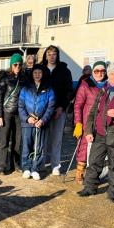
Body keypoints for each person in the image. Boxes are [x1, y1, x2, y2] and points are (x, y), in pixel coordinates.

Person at [77, 61, 114, 202]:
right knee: (93, 162)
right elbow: (93, 112)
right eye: (112, 73)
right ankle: (89, 188)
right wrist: (88, 130)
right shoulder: (104, 90)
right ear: (108, 75)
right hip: (99, 133)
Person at [40, 45, 73, 175]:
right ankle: (41, 163)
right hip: (43, 111)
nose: (51, 56)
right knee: (43, 138)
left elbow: (69, 91)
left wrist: (62, 107)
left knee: (57, 138)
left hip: (59, 110)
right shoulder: (40, 69)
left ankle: (55, 165)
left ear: (57, 55)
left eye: (54, 54)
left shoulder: (64, 71)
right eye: (49, 53)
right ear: (45, 55)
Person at [18, 64, 56, 180]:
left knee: (38, 147)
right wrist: (27, 118)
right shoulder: (25, 89)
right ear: (32, 74)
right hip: (27, 123)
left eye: (39, 73)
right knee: (26, 146)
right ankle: (26, 168)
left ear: (43, 74)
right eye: (35, 73)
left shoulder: (49, 89)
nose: (37, 75)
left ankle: (35, 169)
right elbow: (20, 106)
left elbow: (51, 107)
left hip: (41, 124)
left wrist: (43, 120)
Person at [72, 61, 107, 184]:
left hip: (102, 123)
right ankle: (79, 173)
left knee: (98, 150)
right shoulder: (85, 84)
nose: (99, 74)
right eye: (96, 71)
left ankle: (93, 174)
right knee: (84, 147)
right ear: (92, 72)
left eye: (102, 71)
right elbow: (78, 105)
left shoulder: (108, 85)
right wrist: (78, 123)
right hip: (87, 122)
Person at [0, 53, 25, 175]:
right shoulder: (5, 78)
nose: (17, 66)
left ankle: (15, 165)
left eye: (19, 64)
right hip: (6, 113)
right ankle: (2, 166)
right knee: (4, 141)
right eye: (15, 64)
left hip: (19, 114)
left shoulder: (24, 78)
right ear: (11, 65)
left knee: (17, 142)